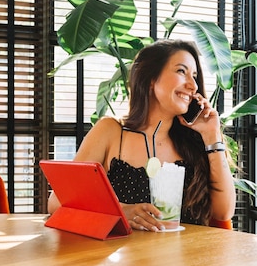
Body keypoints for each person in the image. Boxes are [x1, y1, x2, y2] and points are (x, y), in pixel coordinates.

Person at [48, 39, 236, 231]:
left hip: (191, 257)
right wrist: (121, 211)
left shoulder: (197, 141)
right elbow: (57, 202)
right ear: (151, 79)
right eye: (181, 71)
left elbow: (223, 213)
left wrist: (212, 137)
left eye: (194, 76)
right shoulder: (111, 132)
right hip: (127, 259)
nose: (193, 85)